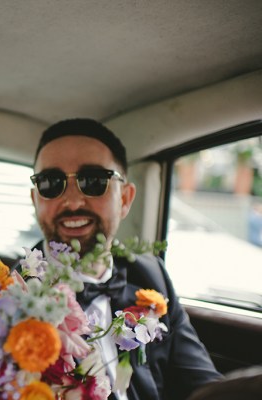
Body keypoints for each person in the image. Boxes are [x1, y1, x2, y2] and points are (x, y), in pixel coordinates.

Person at [28, 118, 222, 400]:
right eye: (50, 183)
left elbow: (203, 384)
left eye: (93, 181)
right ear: (35, 200)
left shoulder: (151, 277)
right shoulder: (5, 298)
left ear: (125, 199)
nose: (72, 201)